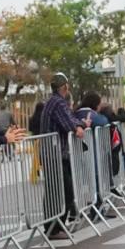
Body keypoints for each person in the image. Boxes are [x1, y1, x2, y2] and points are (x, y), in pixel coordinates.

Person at [39, 74, 87, 236]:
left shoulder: (53, 101)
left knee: (58, 190)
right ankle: (54, 228)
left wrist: (79, 125)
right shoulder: (58, 102)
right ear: (65, 87)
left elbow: (71, 119)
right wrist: (79, 126)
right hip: (55, 154)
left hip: (54, 153)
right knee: (60, 191)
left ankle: (56, 226)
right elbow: (69, 123)